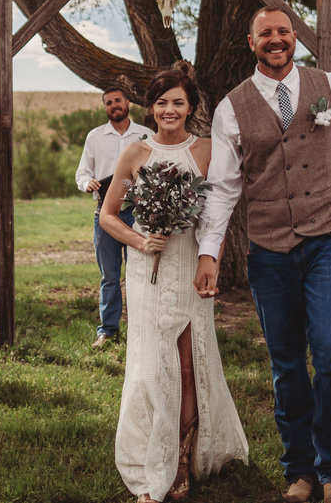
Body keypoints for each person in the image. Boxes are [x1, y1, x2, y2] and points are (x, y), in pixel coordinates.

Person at [194, 7, 331, 503]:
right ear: (251, 43)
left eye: (284, 32)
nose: (276, 40)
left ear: (295, 38)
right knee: (288, 364)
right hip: (269, 248)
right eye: (266, 33)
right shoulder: (232, 107)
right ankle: (300, 471)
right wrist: (209, 251)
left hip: (328, 238)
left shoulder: (329, 86)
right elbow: (224, 187)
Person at [99, 67, 248, 503]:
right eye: (162, 102)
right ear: (151, 106)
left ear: (191, 107)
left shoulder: (205, 151)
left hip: (190, 265)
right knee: (151, 365)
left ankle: (180, 457)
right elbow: (109, 214)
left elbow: (217, 214)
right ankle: (152, 452)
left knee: (185, 365)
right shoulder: (133, 155)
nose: (169, 110)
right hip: (147, 271)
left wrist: (212, 262)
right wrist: (140, 240)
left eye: (178, 102)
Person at [75, 85, 150, 348]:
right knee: (109, 275)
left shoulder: (146, 134)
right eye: (108, 102)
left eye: (117, 100)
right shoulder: (95, 136)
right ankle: (107, 330)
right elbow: (82, 172)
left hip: (138, 213)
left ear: (128, 102)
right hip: (106, 212)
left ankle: (141, 329)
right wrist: (88, 184)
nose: (113, 105)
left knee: (139, 272)